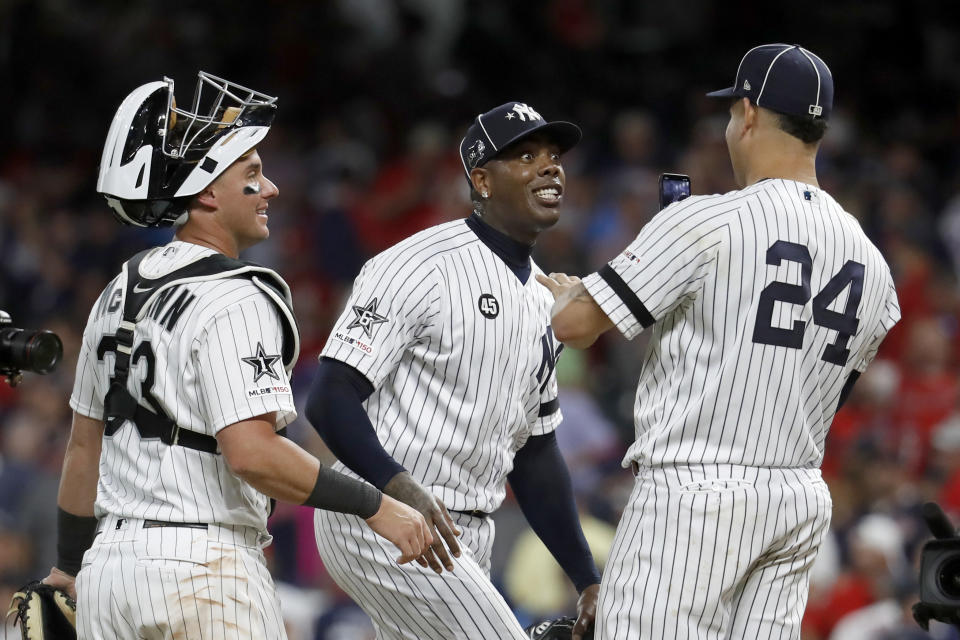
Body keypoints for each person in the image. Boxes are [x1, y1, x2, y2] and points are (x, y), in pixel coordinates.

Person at [40, 71, 431, 639]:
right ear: (205, 193)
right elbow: (252, 454)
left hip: (109, 574)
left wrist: (68, 567)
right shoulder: (236, 294)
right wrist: (376, 505)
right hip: (202, 568)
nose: (270, 188)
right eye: (252, 174)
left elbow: (83, 446)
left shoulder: (117, 289)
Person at [538, 44, 901, 639]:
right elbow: (835, 390)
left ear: (750, 113)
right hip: (798, 498)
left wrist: (568, 294)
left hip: (696, 493)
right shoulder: (873, 262)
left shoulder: (705, 219)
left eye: (732, 114)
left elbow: (574, 327)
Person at [306, 101, 601, 640]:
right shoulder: (416, 264)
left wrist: (586, 579)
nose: (550, 166)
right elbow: (330, 396)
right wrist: (397, 490)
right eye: (527, 155)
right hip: (379, 511)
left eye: (554, 156)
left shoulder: (545, 298)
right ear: (482, 181)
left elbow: (534, 452)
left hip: (465, 532)